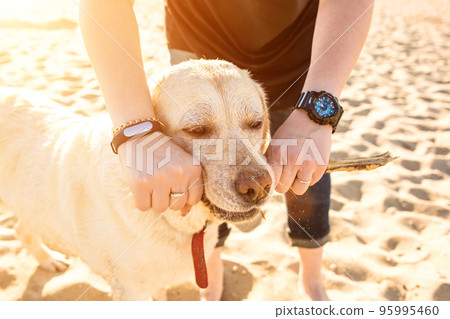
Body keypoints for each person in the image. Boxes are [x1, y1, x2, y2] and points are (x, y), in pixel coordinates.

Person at [79, 0, 373, 301]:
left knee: (306, 167)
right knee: (197, 175)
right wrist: (139, 133)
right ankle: (211, 271)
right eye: (198, 129)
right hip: (196, 36)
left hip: (300, 50)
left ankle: (311, 278)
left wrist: (315, 111)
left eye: (256, 124)